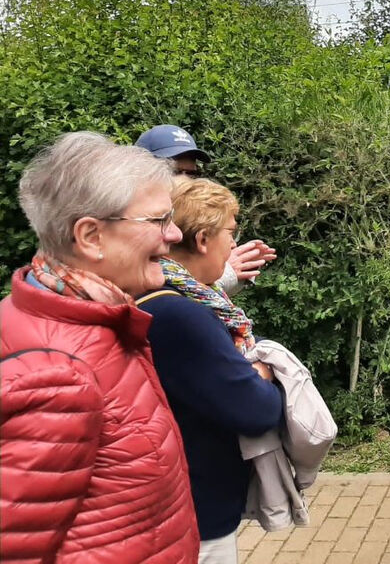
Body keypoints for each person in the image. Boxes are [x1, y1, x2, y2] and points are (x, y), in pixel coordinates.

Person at [0, 132, 198, 564]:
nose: (174, 233)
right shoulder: (59, 380)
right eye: (158, 220)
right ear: (90, 236)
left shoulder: (87, 320)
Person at [136, 177, 283, 564]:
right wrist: (263, 372)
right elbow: (257, 410)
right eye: (230, 233)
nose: (233, 245)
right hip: (197, 514)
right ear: (202, 239)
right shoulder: (181, 314)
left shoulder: (163, 294)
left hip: (173, 504)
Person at [134, 124, 276, 296]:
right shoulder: (130, 225)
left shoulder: (190, 218)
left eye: (191, 174)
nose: (185, 181)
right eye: (174, 172)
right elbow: (151, 297)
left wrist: (220, 269)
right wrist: (223, 276)